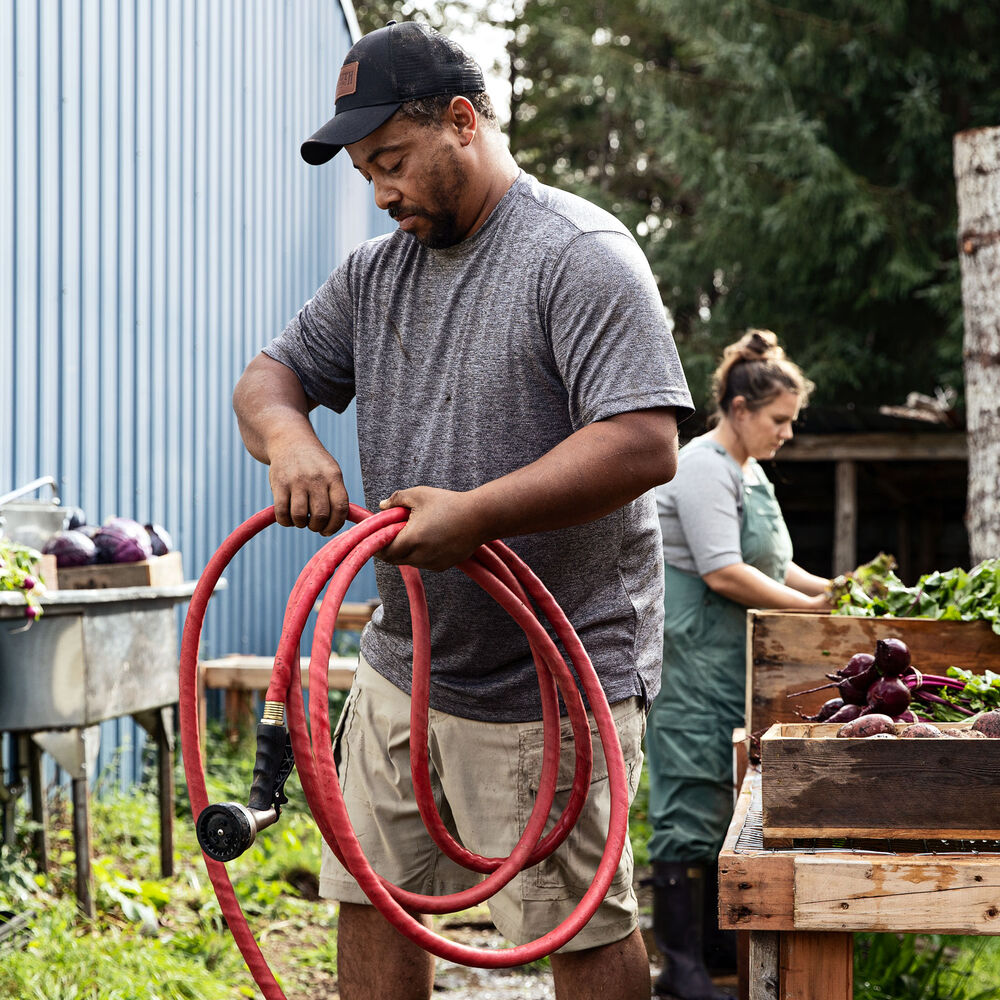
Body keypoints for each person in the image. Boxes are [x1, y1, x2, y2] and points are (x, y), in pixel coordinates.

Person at [231, 20, 694, 1000]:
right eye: (366, 171)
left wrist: (478, 513)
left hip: (552, 678)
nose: (381, 191)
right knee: (374, 897)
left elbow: (645, 440)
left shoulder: (578, 256)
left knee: (576, 924)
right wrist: (292, 440)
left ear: (459, 120)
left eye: (391, 161)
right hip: (406, 666)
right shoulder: (374, 272)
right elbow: (269, 377)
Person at [645, 330, 830, 1000]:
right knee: (687, 796)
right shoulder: (701, 466)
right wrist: (809, 614)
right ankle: (679, 967)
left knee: (726, 798)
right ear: (740, 409)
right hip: (693, 654)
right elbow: (725, 571)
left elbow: (774, 566)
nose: (786, 433)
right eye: (779, 420)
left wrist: (830, 592)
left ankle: (716, 950)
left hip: (731, 661)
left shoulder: (749, 472)